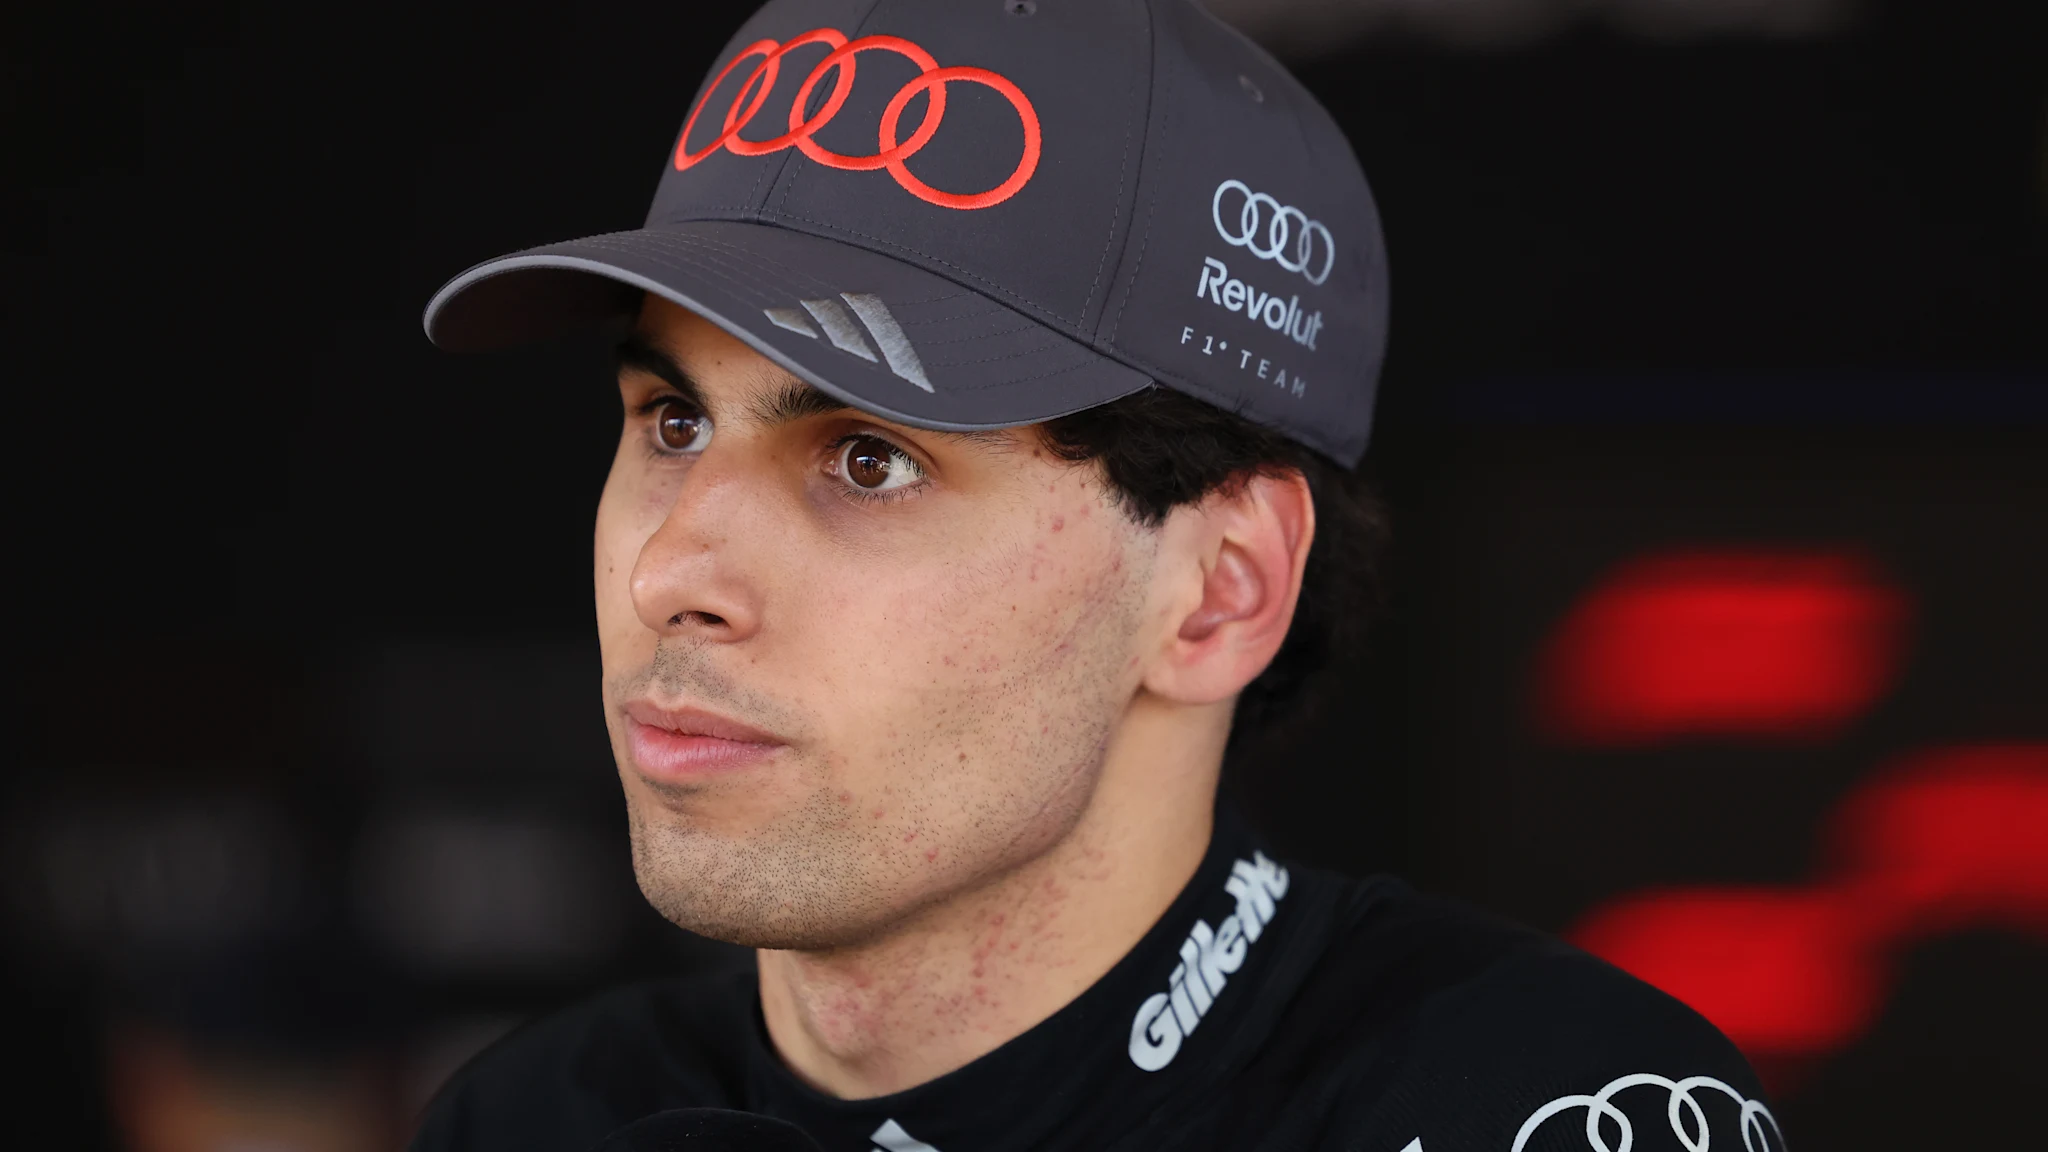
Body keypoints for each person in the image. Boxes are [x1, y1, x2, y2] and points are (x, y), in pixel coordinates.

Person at [412, 1, 1777, 1149]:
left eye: (870, 460)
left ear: (1222, 588)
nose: (670, 572)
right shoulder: (528, 1122)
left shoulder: (1527, 1109)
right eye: (672, 422)